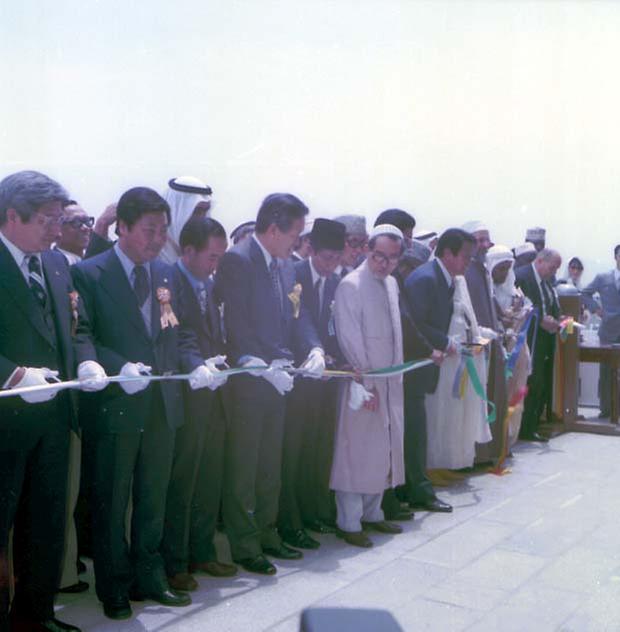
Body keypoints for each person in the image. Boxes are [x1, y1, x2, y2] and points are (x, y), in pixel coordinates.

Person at [72, 187, 208, 619]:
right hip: (117, 403)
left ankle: (150, 576)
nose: (156, 239)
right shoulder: (90, 274)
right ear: (122, 227)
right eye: (149, 230)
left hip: (163, 403)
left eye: (162, 231)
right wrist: (113, 367)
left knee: (153, 497)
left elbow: (180, 333)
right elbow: (83, 335)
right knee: (112, 500)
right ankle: (114, 585)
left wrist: (197, 364)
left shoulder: (166, 274)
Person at [0, 170, 107, 632]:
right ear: (11, 215)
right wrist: (14, 374)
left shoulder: (57, 264)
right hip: (5, 421)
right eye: (46, 219)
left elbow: (77, 327)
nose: (55, 229)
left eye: (59, 219)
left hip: (54, 418)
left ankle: (35, 617)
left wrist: (86, 362)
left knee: (44, 526)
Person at [214, 193, 318, 576]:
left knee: (271, 461)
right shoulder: (238, 260)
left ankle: (267, 531)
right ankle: (244, 543)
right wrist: (258, 362)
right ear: (274, 229)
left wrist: (315, 347)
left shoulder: (287, 265)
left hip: (280, 379)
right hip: (250, 378)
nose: (297, 242)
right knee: (245, 463)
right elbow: (237, 324)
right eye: (295, 233)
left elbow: (299, 312)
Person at [162, 216, 234, 593]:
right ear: (187, 251)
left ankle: (202, 550)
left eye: (220, 257)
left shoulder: (209, 283)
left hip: (215, 392)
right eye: (210, 257)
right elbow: (178, 333)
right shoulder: (169, 282)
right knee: (183, 481)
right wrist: (198, 365)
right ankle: (175, 562)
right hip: (189, 393)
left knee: (209, 476)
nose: (215, 265)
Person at [331, 224, 407, 548]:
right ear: (366, 251)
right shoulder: (351, 285)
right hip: (363, 384)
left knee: (382, 450)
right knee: (355, 451)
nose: (384, 264)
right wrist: (367, 382)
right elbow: (350, 337)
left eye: (392, 258)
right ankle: (348, 522)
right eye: (379, 256)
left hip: (390, 382)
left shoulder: (391, 284)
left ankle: (373, 514)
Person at [278, 218, 346, 549]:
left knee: (318, 449)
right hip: (297, 379)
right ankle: (289, 522)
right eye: (326, 258)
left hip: (325, 381)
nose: (331, 264)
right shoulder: (295, 275)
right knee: (293, 452)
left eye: (337, 258)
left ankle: (312, 512)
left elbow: (335, 326)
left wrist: (333, 355)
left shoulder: (337, 282)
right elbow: (298, 318)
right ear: (312, 250)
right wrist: (314, 349)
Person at [402, 228, 477, 512]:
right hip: (413, 367)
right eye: (465, 256)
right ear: (447, 253)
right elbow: (415, 324)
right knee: (415, 431)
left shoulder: (444, 279)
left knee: (418, 431)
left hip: (425, 367)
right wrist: (444, 342)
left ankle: (416, 488)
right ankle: (417, 491)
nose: (468, 262)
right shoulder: (425, 279)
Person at [425, 273, 492, 470]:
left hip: (462, 362)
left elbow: (469, 323)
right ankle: (437, 464)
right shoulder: (436, 289)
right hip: (445, 363)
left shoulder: (462, 284)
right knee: (441, 412)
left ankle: (456, 462)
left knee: (458, 414)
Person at [462, 221, 507, 464]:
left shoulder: (481, 269)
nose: (484, 245)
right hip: (476, 348)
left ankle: (490, 453)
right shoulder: (467, 271)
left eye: (486, 240)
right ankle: (478, 456)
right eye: (479, 240)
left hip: (491, 345)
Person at [487, 245, 531, 448]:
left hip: (515, 351)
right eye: (499, 268)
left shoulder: (515, 291)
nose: (503, 274)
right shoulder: (486, 291)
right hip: (494, 352)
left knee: (515, 396)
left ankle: (509, 440)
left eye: (506, 269)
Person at [515, 248, 562, 441]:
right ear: (540, 261)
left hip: (544, 340)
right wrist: (541, 320)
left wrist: (558, 319)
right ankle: (521, 429)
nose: (554, 272)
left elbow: (549, 304)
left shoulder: (547, 281)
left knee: (539, 383)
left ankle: (530, 427)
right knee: (528, 382)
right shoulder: (522, 276)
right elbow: (519, 308)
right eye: (552, 268)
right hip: (528, 338)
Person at [581, 245, 620, 418]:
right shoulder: (603, 277)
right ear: (615, 257)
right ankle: (606, 409)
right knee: (606, 371)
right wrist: (597, 310)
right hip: (608, 330)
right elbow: (585, 293)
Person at [160, 176, 213, 264]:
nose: (203, 218)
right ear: (177, 210)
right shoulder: (153, 254)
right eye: (197, 211)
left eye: (205, 211)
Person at [54, 201, 94, 265]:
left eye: (87, 221)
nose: (85, 228)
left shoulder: (95, 261)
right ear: (57, 229)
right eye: (76, 222)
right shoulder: (49, 265)